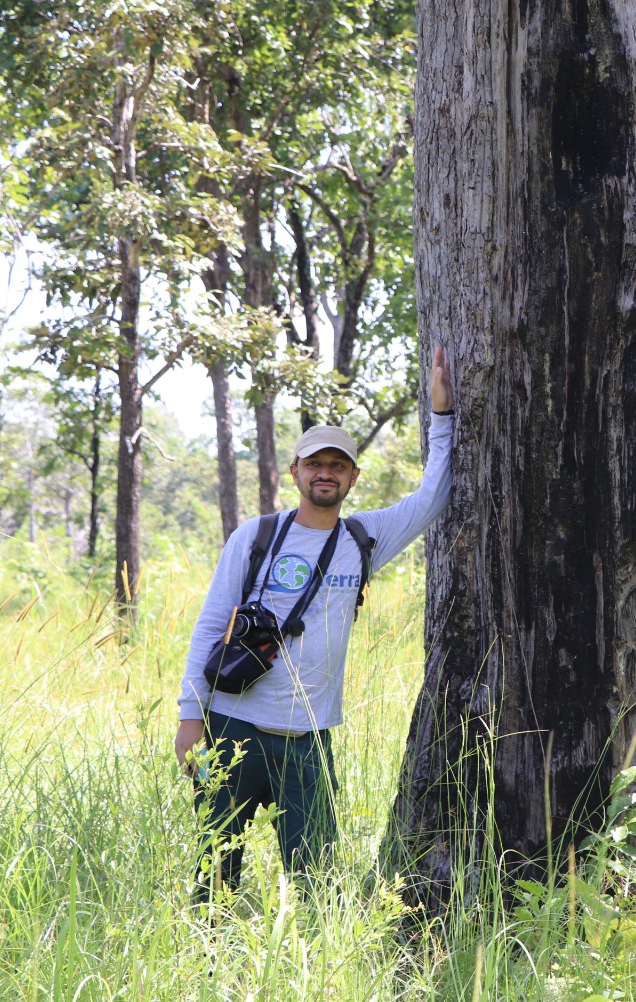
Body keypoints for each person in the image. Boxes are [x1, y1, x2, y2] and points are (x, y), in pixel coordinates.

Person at [175, 347, 455, 895]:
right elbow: (212, 627)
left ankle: (315, 975)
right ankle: (206, 966)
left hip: (311, 739)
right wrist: (191, 719)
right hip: (232, 728)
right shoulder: (255, 538)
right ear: (296, 472)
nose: (326, 473)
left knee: (316, 879)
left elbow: (433, 496)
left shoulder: (363, 539)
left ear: (352, 476)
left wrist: (441, 418)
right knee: (213, 870)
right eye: (315, 464)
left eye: (338, 465)